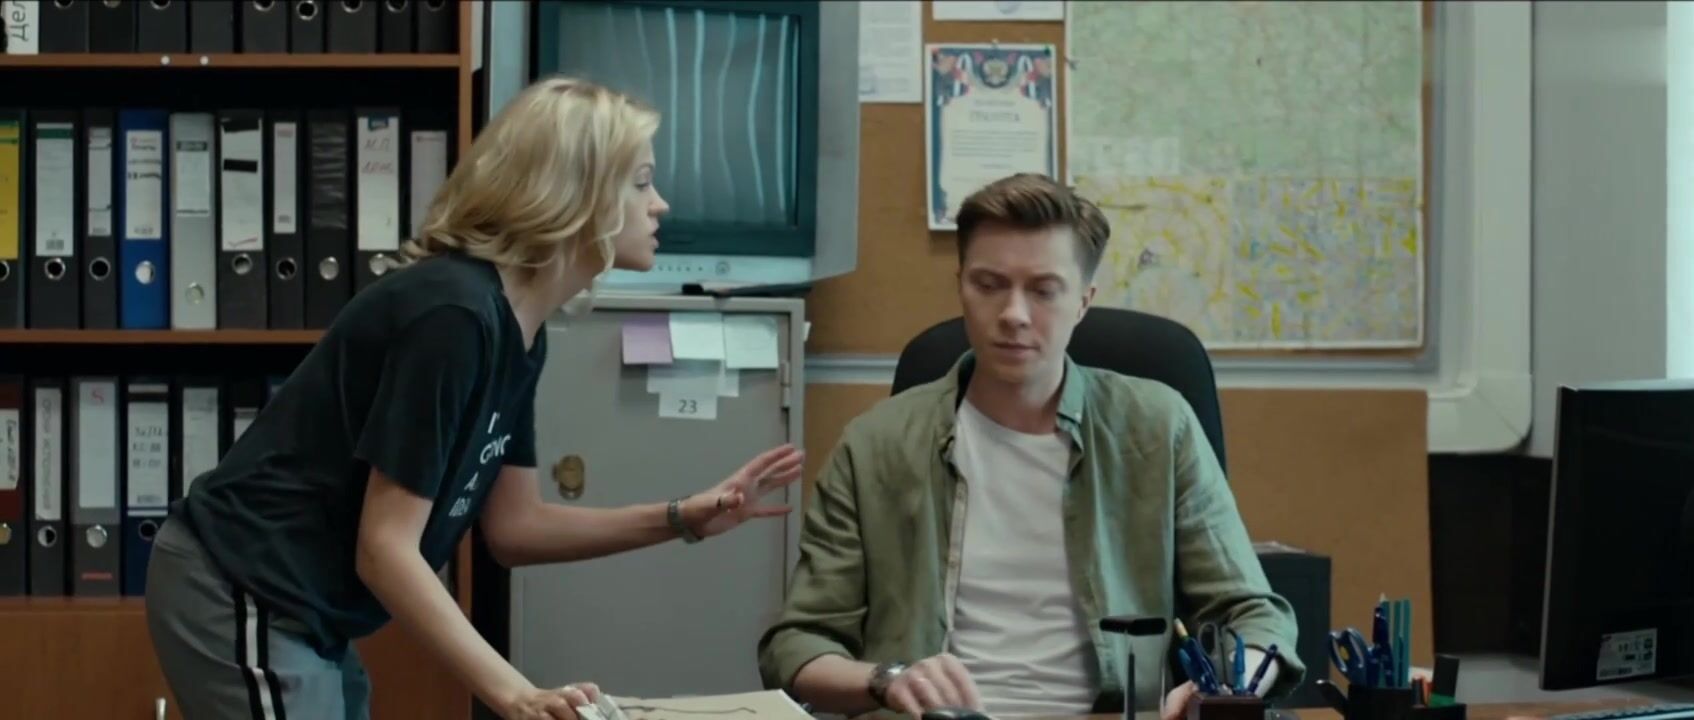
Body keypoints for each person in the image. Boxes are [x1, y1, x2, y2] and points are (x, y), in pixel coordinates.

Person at [144, 76, 804, 720]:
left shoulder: (520, 332)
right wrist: (517, 694)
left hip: (305, 608)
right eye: (640, 182)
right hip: (242, 585)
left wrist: (683, 517)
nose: (659, 204)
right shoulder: (453, 315)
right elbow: (385, 548)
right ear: (574, 192)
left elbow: (515, 529)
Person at [755, 173, 1302, 719]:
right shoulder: (876, 444)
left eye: (1043, 290)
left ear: (1083, 301)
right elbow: (797, 646)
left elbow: (1255, 615)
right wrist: (887, 680)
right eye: (989, 284)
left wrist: (1226, 689)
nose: (1013, 313)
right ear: (961, 286)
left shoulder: (1159, 428)